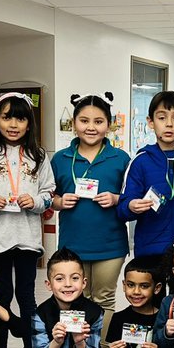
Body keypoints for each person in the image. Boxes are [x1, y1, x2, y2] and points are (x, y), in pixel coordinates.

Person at [0, 92, 54, 348]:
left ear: (29, 123)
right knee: (0, 297)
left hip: (28, 239)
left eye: (20, 118)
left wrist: (35, 202)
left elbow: (49, 193)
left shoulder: (39, 156)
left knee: (27, 297)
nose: (13, 123)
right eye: (6, 116)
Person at [50, 93, 131, 334]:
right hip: (73, 243)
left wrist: (117, 199)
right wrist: (60, 202)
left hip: (110, 244)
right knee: (76, 300)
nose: (91, 127)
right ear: (74, 123)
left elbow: (131, 198)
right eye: (84, 121)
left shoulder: (121, 158)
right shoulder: (60, 159)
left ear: (109, 124)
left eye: (98, 121)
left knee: (104, 299)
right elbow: (49, 198)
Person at [118, 91, 174, 259]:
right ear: (150, 122)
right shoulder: (140, 161)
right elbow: (123, 207)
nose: (169, 124)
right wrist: (131, 206)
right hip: (151, 249)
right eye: (162, 118)